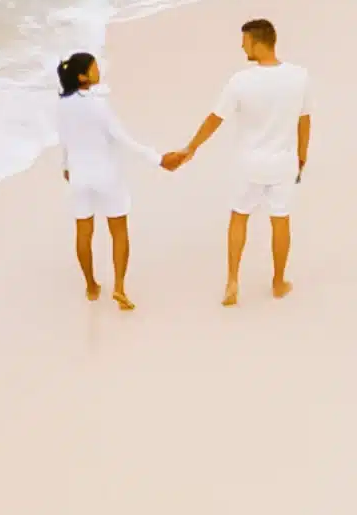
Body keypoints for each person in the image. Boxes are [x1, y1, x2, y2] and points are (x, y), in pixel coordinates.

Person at [161, 16, 311, 306]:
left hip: (248, 164)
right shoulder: (299, 76)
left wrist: (191, 148)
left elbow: (215, 119)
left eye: (245, 42)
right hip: (283, 163)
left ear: (257, 41)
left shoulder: (241, 81)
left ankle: (232, 281)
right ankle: (279, 282)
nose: (243, 49)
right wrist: (302, 158)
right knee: (280, 221)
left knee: (239, 217)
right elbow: (304, 122)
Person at [52, 51, 141, 309]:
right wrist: (157, 158)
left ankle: (91, 285)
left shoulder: (62, 104)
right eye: (94, 67)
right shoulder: (98, 104)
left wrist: (66, 166)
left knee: (83, 231)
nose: (98, 70)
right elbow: (122, 137)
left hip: (78, 175)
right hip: (106, 175)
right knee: (119, 231)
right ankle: (120, 287)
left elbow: (64, 139)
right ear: (83, 77)